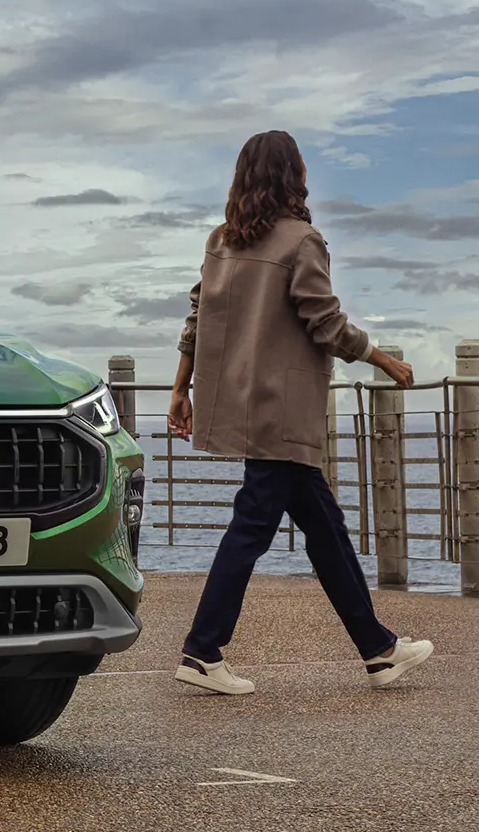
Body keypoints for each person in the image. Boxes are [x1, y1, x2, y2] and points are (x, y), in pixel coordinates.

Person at [167, 130, 433, 695]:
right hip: (284, 411)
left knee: (325, 528)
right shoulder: (302, 241)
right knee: (251, 526)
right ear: (294, 175)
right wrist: (383, 358)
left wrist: (180, 389)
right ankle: (201, 651)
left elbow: (198, 318)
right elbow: (324, 321)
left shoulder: (222, 242)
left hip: (243, 403)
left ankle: (379, 650)